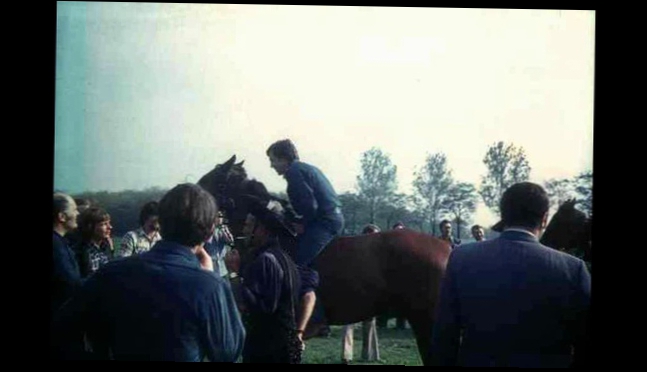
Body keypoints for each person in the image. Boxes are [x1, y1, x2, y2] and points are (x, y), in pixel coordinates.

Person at [50, 183, 245, 361]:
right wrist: (212, 278)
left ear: (161, 222)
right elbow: (227, 352)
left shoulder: (110, 273)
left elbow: (62, 326)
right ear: (211, 232)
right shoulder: (210, 287)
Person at [429, 182, 590, 367]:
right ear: (544, 219)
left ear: (503, 215)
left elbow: (444, 335)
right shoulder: (574, 269)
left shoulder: (461, 258)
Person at [266, 139, 344, 346]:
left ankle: (316, 321)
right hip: (327, 219)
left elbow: (309, 207)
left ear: (284, 158)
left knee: (296, 266)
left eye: (273, 160)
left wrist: (298, 221)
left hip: (324, 223)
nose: (271, 165)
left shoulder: (294, 172)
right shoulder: (304, 169)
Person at [225, 199, 303, 363]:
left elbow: (256, 307)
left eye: (248, 225)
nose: (244, 230)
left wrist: (233, 273)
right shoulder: (284, 258)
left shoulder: (266, 260)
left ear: (262, 230)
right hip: (281, 347)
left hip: (268, 350)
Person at [341, 224, 381, 364]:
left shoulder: (380, 253)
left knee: (369, 324)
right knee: (348, 323)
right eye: (370, 234)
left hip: (370, 291)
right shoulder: (353, 250)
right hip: (353, 290)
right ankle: (346, 355)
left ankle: (370, 355)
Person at [52, 193, 83, 316]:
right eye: (74, 210)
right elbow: (71, 282)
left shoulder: (60, 242)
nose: (78, 214)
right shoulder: (56, 246)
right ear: (62, 217)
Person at [75, 207, 114, 278]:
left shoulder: (106, 246)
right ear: (90, 226)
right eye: (104, 224)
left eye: (109, 223)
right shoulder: (79, 251)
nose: (110, 227)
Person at [204, 210, 235, 279]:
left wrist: (224, 230)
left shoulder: (223, 230)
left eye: (221, 217)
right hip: (210, 266)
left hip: (222, 267)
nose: (220, 219)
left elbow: (231, 241)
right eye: (218, 216)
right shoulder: (207, 230)